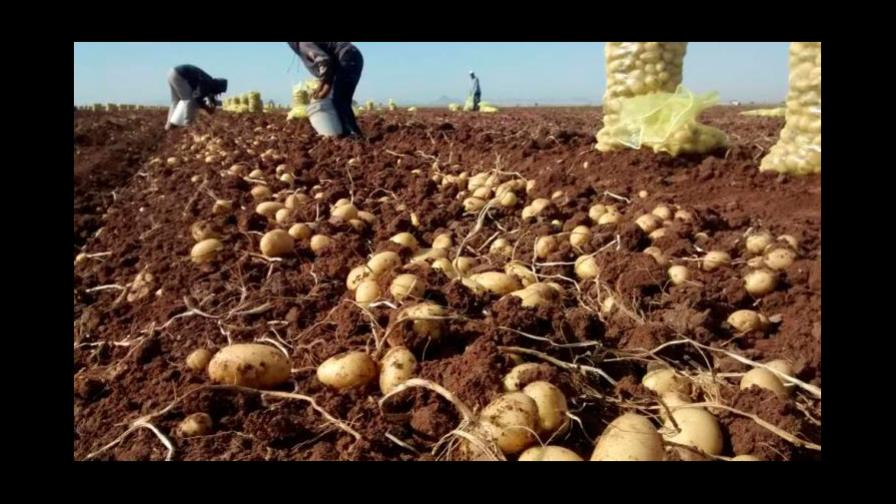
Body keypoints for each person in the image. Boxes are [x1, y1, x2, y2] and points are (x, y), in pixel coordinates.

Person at [287, 42, 364, 139]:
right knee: (339, 99)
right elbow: (328, 65)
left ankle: (353, 134)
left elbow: (324, 61)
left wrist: (326, 87)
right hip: (350, 56)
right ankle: (346, 132)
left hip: (347, 56)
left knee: (340, 98)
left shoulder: (303, 43)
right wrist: (321, 86)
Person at [165, 64, 227, 130]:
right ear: (216, 88)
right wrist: (206, 108)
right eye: (219, 92)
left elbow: (206, 97)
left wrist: (213, 104)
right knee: (189, 100)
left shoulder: (209, 82)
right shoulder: (207, 83)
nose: (218, 94)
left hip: (172, 73)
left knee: (175, 102)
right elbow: (197, 97)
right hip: (179, 75)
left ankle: (168, 127)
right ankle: (188, 125)